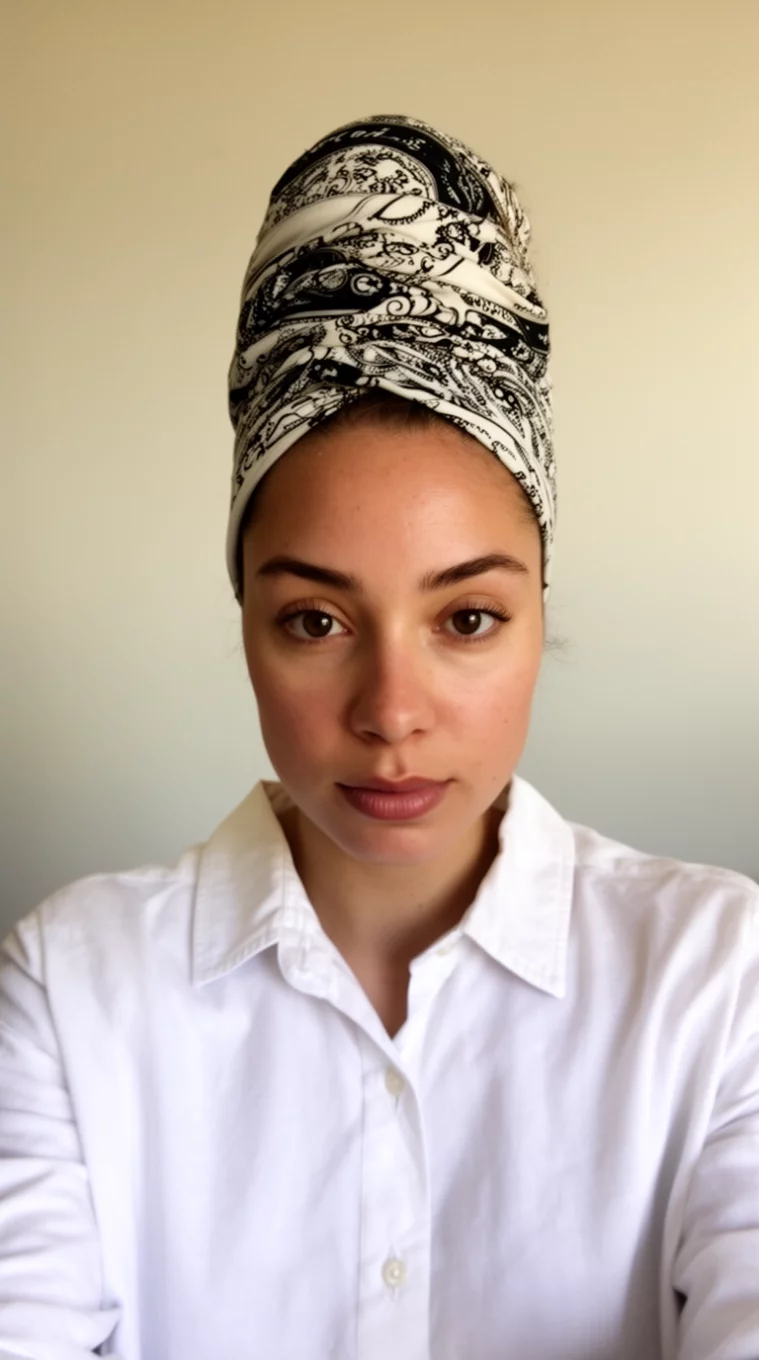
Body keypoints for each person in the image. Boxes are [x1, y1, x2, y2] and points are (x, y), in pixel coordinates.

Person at [1, 114, 757, 1360]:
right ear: (245, 619)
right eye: (316, 619)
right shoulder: (72, 994)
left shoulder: (719, 981)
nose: (392, 711)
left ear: (540, 610)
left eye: (467, 617)